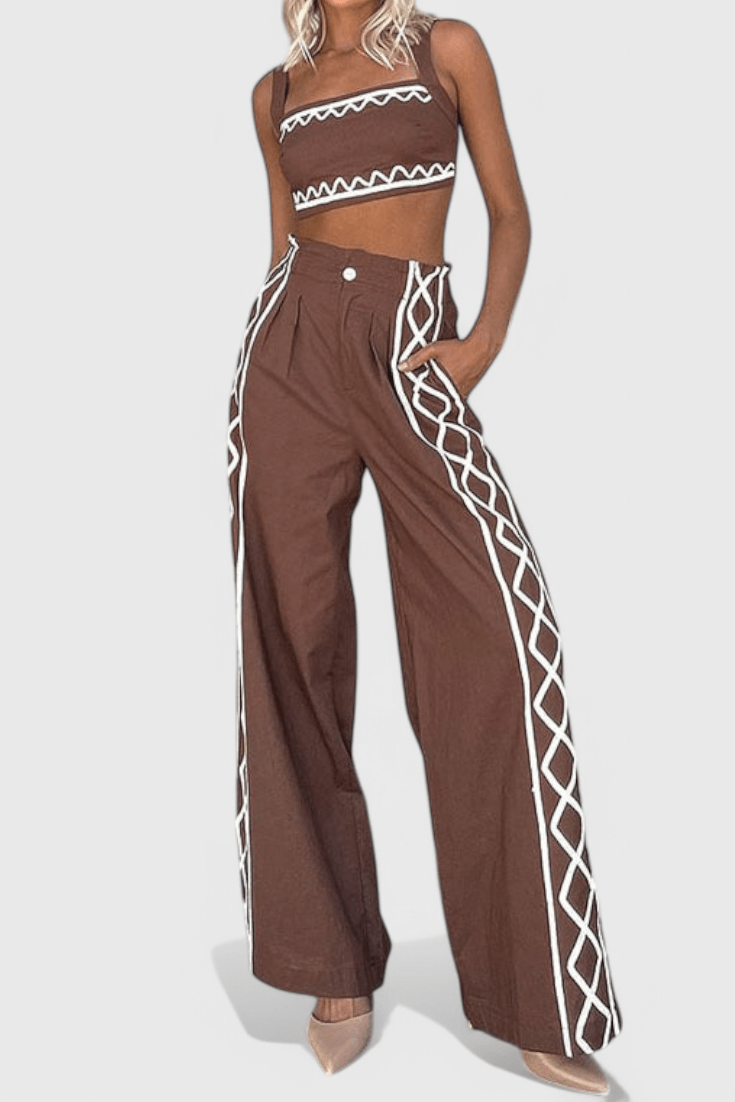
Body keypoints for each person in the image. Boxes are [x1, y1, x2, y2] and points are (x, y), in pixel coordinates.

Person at [227, 0, 623, 1092]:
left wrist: (482, 340)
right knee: (292, 642)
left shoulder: (445, 49)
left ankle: (537, 996)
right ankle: (331, 967)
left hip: (412, 343)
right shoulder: (275, 92)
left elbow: (508, 209)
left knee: (499, 637)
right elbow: (282, 244)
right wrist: (274, 355)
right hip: (292, 353)